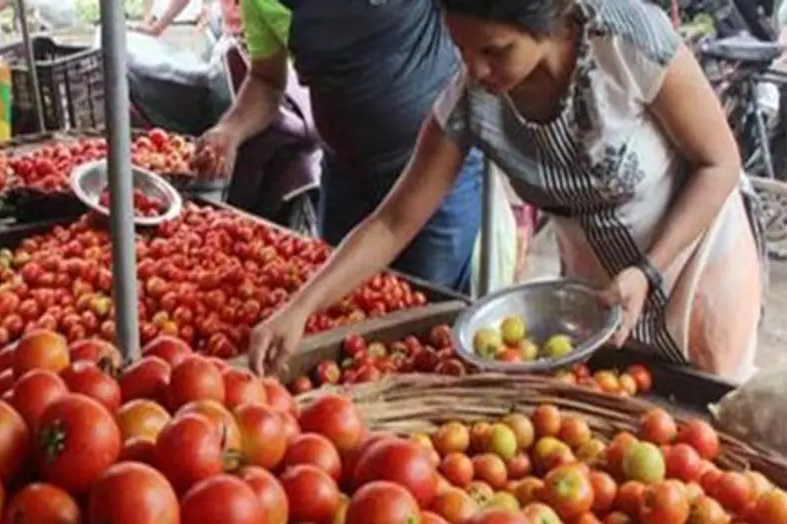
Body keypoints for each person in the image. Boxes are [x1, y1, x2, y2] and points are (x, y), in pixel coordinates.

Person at [248, 0, 765, 383]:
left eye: (494, 50)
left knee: (703, 405)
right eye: (460, 49)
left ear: (554, 19)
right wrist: (300, 307)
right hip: (601, 279)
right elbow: (393, 221)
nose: (474, 70)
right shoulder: (474, 101)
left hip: (696, 261)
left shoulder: (628, 40)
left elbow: (718, 162)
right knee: (622, 401)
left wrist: (650, 270)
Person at [196, 0, 486, 294]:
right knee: (339, 302)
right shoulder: (261, 3)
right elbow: (266, 80)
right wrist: (230, 130)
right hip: (347, 180)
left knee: (427, 304)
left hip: (438, 175)